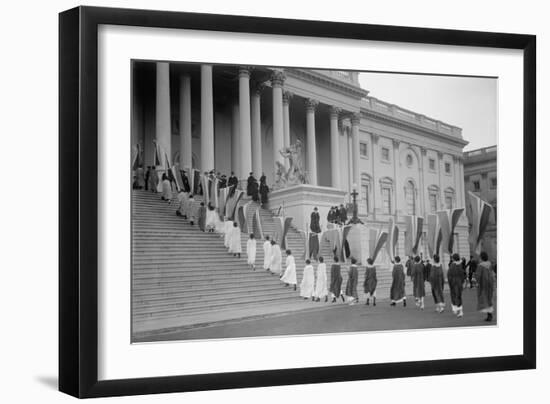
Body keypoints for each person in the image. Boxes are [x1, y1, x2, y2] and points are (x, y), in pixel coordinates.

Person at [477, 251, 496, 321]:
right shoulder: (490, 264)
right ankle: (489, 314)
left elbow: (478, 276)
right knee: (489, 299)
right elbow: (492, 273)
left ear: (481, 257)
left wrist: (476, 282)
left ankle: (489, 315)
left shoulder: (480, 266)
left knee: (485, 299)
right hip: (490, 284)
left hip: (483, 285)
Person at [448, 253, 466, 318]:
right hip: (459, 283)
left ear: (453, 258)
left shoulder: (452, 265)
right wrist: (462, 282)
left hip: (454, 283)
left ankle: (455, 309)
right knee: (459, 297)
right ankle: (460, 311)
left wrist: (450, 283)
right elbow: (463, 275)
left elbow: (449, 275)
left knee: (453, 296)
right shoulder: (460, 265)